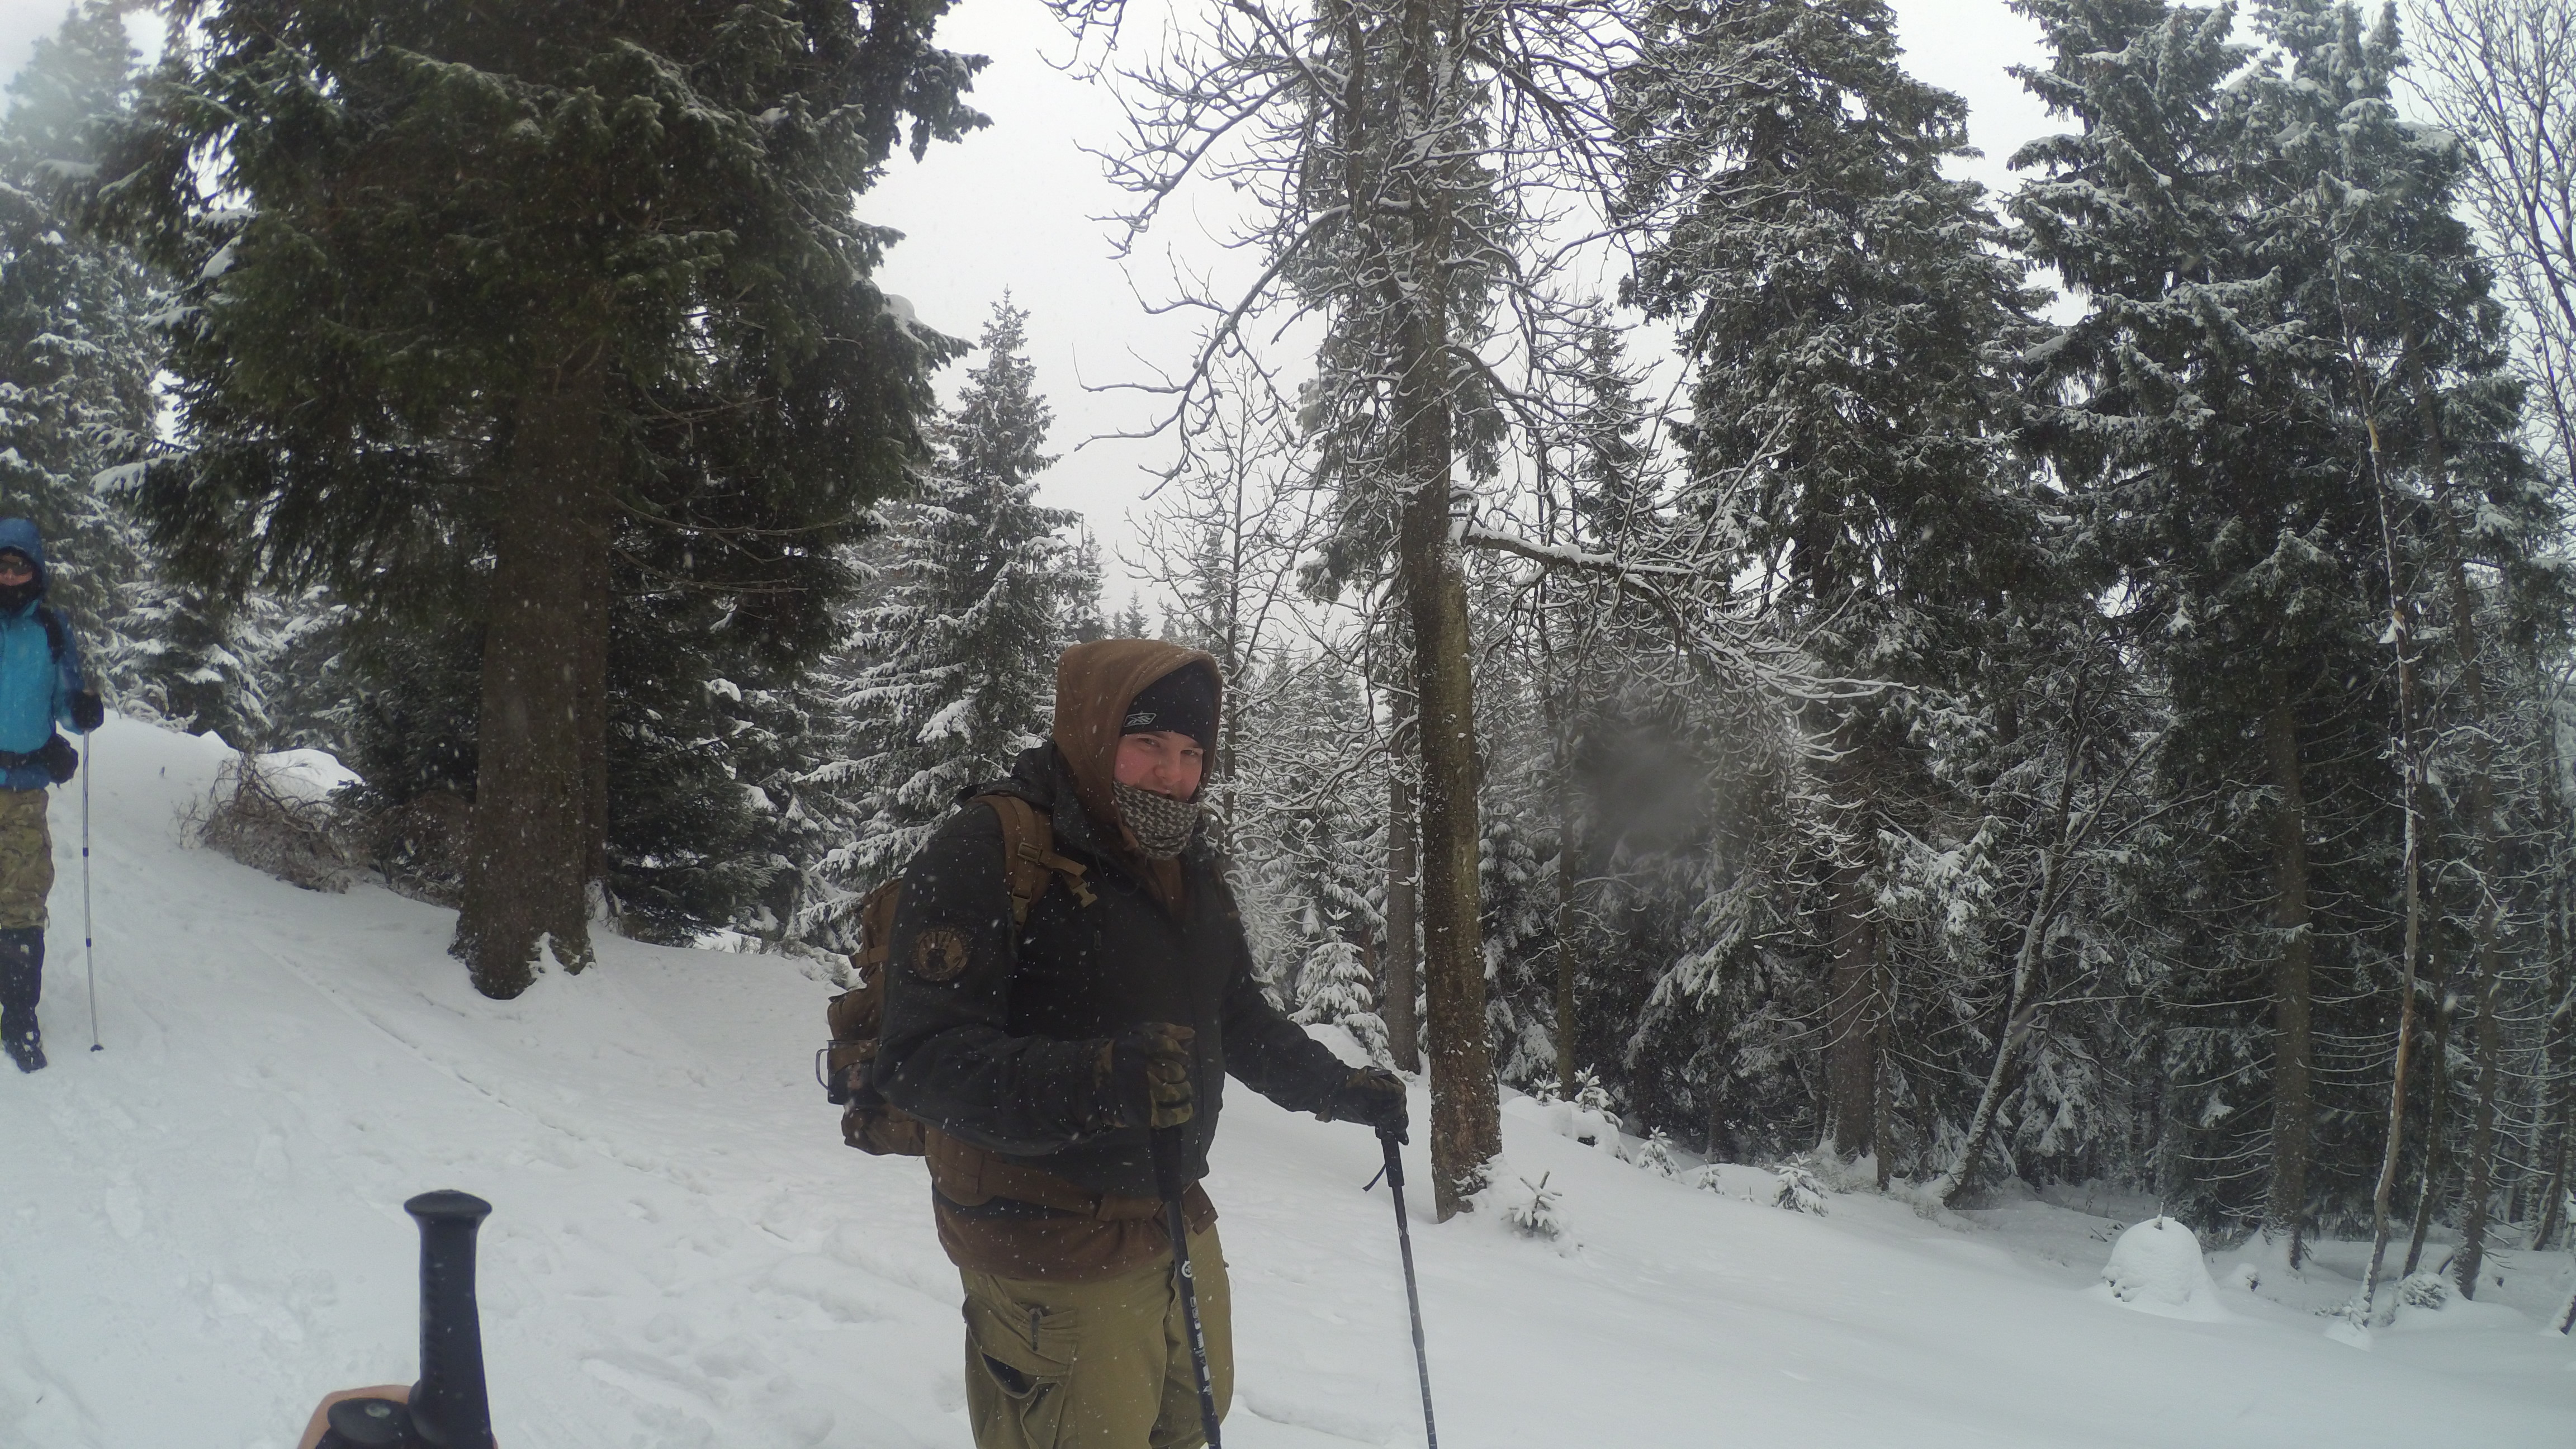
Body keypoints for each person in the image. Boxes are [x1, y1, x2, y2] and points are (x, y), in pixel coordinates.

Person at [875, 638, 1409, 1449]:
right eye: (1150, 745)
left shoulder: (1185, 867)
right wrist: (1095, 1079)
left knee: (1192, 1417)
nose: (1174, 775)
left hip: (1168, 1207)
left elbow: (1236, 1017)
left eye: (1193, 753)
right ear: (1095, 733)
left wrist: (1340, 1090)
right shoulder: (993, 849)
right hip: (1046, 1232)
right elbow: (918, 1058)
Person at [0, 518, 103, 1073]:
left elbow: (68, 702)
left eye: (20, 566)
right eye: (3, 565)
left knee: (21, 900)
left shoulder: (52, 628)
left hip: (23, 789)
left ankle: (18, 1017)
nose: (11, 576)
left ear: (36, 571)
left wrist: (83, 714)